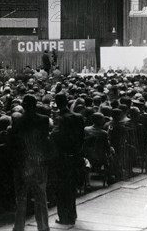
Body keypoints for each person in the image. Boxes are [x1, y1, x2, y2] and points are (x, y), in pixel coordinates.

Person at [8, 95, 51, 231]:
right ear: (35, 105)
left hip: (22, 163)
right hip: (38, 162)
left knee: (21, 198)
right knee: (41, 196)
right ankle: (43, 226)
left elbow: (14, 144)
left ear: (24, 106)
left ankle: (19, 226)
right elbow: (44, 141)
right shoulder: (44, 120)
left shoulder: (17, 121)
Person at [51, 93, 84, 226]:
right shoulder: (78, 117)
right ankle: (73, 214)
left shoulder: (60, 119)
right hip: (76, 155)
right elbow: (82, 137)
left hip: (63, 157)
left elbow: (55, 137)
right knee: (71, 187)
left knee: (62, 188)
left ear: (57, 103)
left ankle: (65, 217)